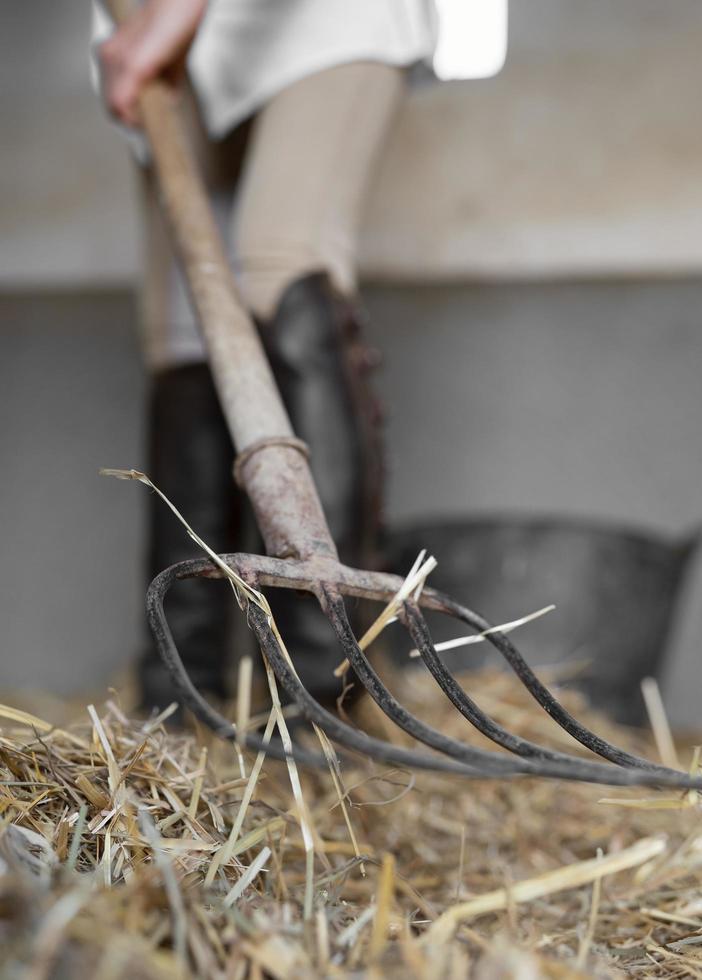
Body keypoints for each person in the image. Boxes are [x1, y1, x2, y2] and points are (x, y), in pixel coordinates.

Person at [93, 0, 506, 711]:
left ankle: (320, 694)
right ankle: (182, 697)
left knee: (282, 260)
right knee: (186, 323)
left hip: (313, 18)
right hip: (150, 32)